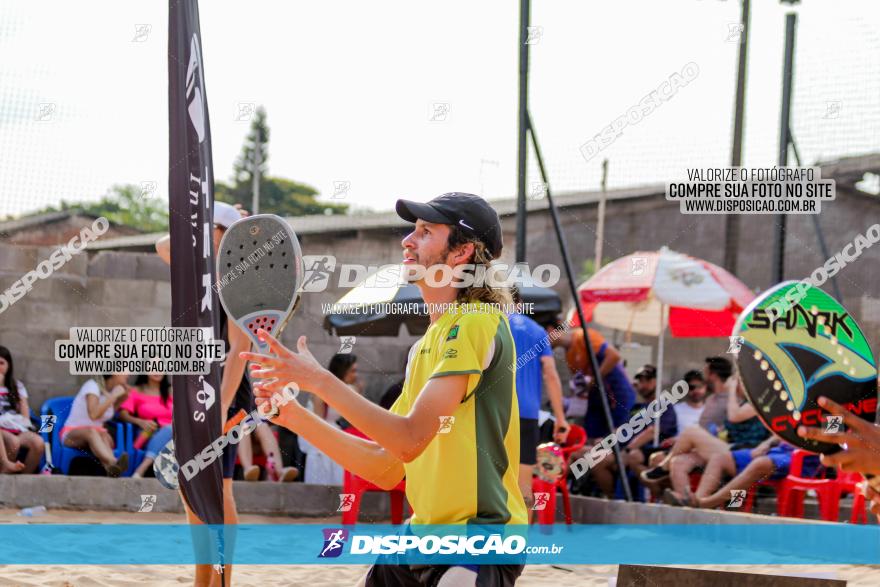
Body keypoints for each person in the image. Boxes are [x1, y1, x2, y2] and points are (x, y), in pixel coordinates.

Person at [242, 192, 526, 587]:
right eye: (413, 231)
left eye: (425, 232)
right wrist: (293, 416)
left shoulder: (476, 321)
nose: (407, 241)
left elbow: (409, 440)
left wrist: (320, 381)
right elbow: (387, 465)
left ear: (461, 253)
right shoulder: (428, 343)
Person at [155, 200, 252, 587]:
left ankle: (222, 581)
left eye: (206, 229)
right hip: (197, 391)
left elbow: (238, 354)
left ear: (221, 235)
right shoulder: (199, 274)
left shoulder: (240, 280)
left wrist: (221, 408)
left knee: (220, 488)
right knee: (190, 486)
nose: (196, 236)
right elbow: (164, 245)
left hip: (227, 393)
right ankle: (203, 581)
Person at [641, 362, 769, 501]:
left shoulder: (760, 401)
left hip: (744, 451)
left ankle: (663, 468)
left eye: (739, 381)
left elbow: (734, 416)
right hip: (728, 447)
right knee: (678, 462)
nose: (736, 384)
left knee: (691, 431)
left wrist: (731, 390)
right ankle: (686, 501)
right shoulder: (740, 402)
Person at [507, 300, 570, 518]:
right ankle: (519, 541)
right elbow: (551, 374)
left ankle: (489, 541)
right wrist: (561, 418)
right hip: (528, 414)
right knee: (524, 483)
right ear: (520, 303)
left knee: (491, 479)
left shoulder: (492, 325)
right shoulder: (538, 331)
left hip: (497, 412)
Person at [588, 365, 677, 498]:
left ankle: (661, 495)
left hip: (649, 451)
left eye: (649, 380)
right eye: (641, 381)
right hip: (623, 450)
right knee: (595, 459)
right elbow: (622, 429)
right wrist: (604, 441)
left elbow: (653, 431)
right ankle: (614, 500)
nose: (644, 384)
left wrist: (628, 450)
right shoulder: (637, 407)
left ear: (656, 382)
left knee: (632, 456)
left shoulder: (664, 406)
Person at [548, 319, 635, 439]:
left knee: (614, 440)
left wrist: (595, 378)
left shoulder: (583, 336)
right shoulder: (569, 356)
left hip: (616, 393)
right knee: (592, 438)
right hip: (597, 398)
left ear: (550, 330)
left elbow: (614, 356)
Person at [300, 353, 363, 485]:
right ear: (342, 371)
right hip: (315, 428)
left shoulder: (350, 390)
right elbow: (318, 421)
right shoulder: (322, 389)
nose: (355, 375)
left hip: (333, 427)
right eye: (352, 371)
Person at [62, 373, 130, 477]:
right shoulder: (92, 386)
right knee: (92, 432)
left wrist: (121, 398)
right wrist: (113, 397)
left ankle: (111, 470)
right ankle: (113, 461)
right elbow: (93, 415)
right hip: (71, 434)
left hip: (97, 436)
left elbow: (107, 415)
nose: (128, 374)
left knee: (104, 436)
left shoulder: (112, 390)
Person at [117, 373, 173, 478]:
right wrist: (139, 422)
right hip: (148, 433)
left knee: (171, 429)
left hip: (175, 436)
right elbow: (122, 415)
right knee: (170, 430)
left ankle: (141, 468)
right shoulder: (136, 391)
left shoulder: (171, 392)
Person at [0, 346, 44, 474]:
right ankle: (5, 473)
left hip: (16, 426)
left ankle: (24, 477)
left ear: (9, 365)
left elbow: (25, 416)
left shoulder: (17, 387)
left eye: (1, 363)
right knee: (14, 443)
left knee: (38, 443)